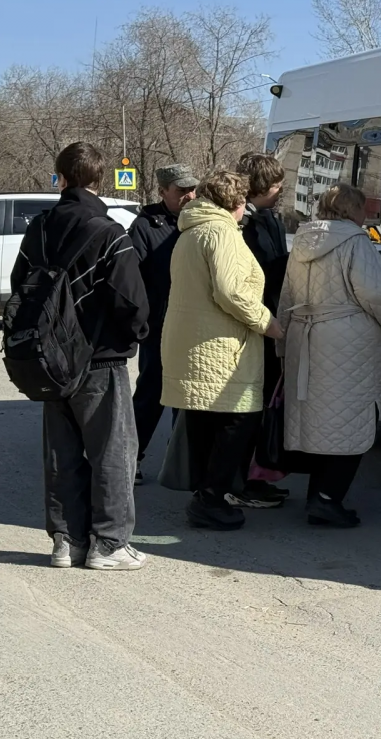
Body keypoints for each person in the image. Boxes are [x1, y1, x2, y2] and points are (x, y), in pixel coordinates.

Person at [9, 141, 150, 570]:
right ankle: (109, 544)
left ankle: (65, 542)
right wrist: (130, 338)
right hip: (100, 358)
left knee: (62, 453)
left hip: (48, 360)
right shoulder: (109, 233)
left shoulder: (40, 228)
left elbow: (20, 284)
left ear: (61, 178)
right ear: (99, 180)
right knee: (112, 452)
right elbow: (132, 303)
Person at [278, 183, 381, 528]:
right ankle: (326, 499)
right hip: (345, 339)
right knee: (350, 422)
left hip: (304, 337)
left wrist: (282, 341)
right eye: (363, 208)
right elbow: (375, 292)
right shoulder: (355, 241)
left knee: (319, 424)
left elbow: (287, 293)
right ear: (351, 210)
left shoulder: (303, 241)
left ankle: (317, 495)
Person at [160, 171, 285, 530]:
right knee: (239, 420)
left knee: (205, 421)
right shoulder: (221, 233)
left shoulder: (193, 230)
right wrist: (268, 323)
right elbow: (232, 292)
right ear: (237, 202)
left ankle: (204, 494)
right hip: (221, 346)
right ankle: (211, 498)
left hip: (196, 341)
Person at [128, 164, 198, 484]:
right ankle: (131, 457)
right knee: (152, 391)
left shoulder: (198, 221)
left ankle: (178, 459)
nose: (189, 196)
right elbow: (133, 279)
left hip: (193, 324)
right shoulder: (145, 226)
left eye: (192, 190)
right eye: (181, 191)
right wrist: (143, 319)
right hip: (158, 325)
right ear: (163, 192)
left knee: (188, 395)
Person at [235, 152, 291, 507]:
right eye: (277, 186)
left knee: (267, 399)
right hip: (255, 323)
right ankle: (243, 480)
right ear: (263, 186)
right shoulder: (242, 223)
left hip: (271, 318)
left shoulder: (270, 217)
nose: (281, 191)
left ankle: (259, 473)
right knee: (250, 405)